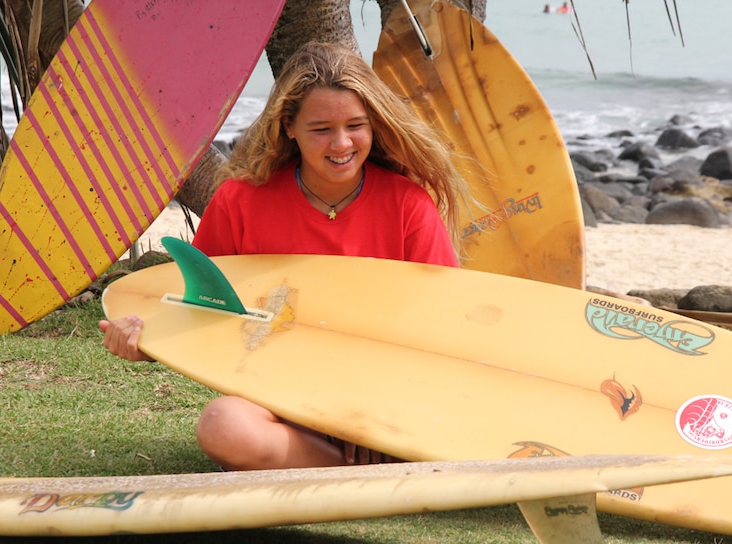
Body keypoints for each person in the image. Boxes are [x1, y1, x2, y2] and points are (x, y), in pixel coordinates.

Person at [99, 42, 471, 471]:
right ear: (288, 126)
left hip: (385, 392)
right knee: (223, 425)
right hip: (278, 396)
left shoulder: (408, 206)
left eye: (356, 125)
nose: (342, 143)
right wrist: (143, 340)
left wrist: (372, 412)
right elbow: (202, 305)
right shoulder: (240, 202)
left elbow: (444, 328)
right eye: (320, 129)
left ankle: (353, 457)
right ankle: (362, 469)